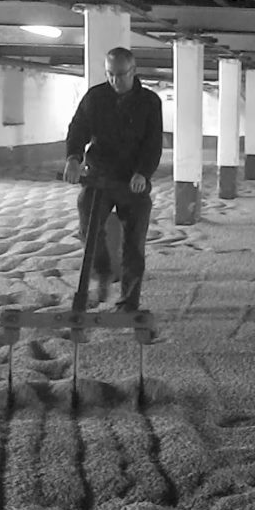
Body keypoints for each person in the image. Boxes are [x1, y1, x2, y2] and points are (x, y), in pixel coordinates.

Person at [63, 47, 163, 312]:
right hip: (99, 176)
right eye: (110, 74)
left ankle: (129, 301)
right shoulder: (95, 97)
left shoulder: (150, 102)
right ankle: (103, 271)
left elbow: (153, 144)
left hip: (133, 181)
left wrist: (143, 173)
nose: (115, 81)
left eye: (120, 75)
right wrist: (73, 158)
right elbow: (78, 129)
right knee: (88, 228)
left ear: (133, 71)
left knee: (134, 244)